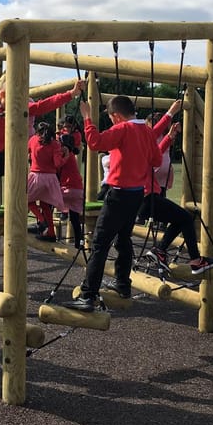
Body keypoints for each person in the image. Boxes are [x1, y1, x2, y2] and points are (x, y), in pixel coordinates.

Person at [0, 77, 86, 275]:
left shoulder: (15, 105)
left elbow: (42, 105)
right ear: (3, 95)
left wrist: (71, 95)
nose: (17, 108)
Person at [65, 96, 170, 312]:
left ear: (117, 116)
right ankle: (123, 283)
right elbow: (156, 161)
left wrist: (87, 118)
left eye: (112, 119)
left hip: (119, 195)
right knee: (123, 239)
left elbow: (95, 143)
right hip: (137, 195)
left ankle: (88, 294)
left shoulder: (123, 129)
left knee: (100, 244)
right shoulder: (147, 132)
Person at [137, 122, 213, 278]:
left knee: (180, 219)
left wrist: (169, 136)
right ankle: (195, 260)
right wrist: (170, 114)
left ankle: (160, 250)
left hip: (142, 200)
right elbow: (156, 152)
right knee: (186, 218)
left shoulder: (136, 152)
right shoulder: (140, 152)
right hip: (149, 197)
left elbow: (158, 152)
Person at [27, 122, 65, 243]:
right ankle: (51, 232)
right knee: (46, 205)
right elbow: (58, 164)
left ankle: (41, 219)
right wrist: (66, 155)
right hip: (50, 178)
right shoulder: (55, 144)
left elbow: (27, 153)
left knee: (26, 199)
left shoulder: (33, 140)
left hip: (36, 175)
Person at [58, 133, 85, 248]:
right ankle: (79, 242)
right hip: (78, 190)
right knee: (75, 219)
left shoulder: (64, 154)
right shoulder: (72, 155)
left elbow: (56, 166)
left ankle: (44, 225)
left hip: (67, 189)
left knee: (48, 199)